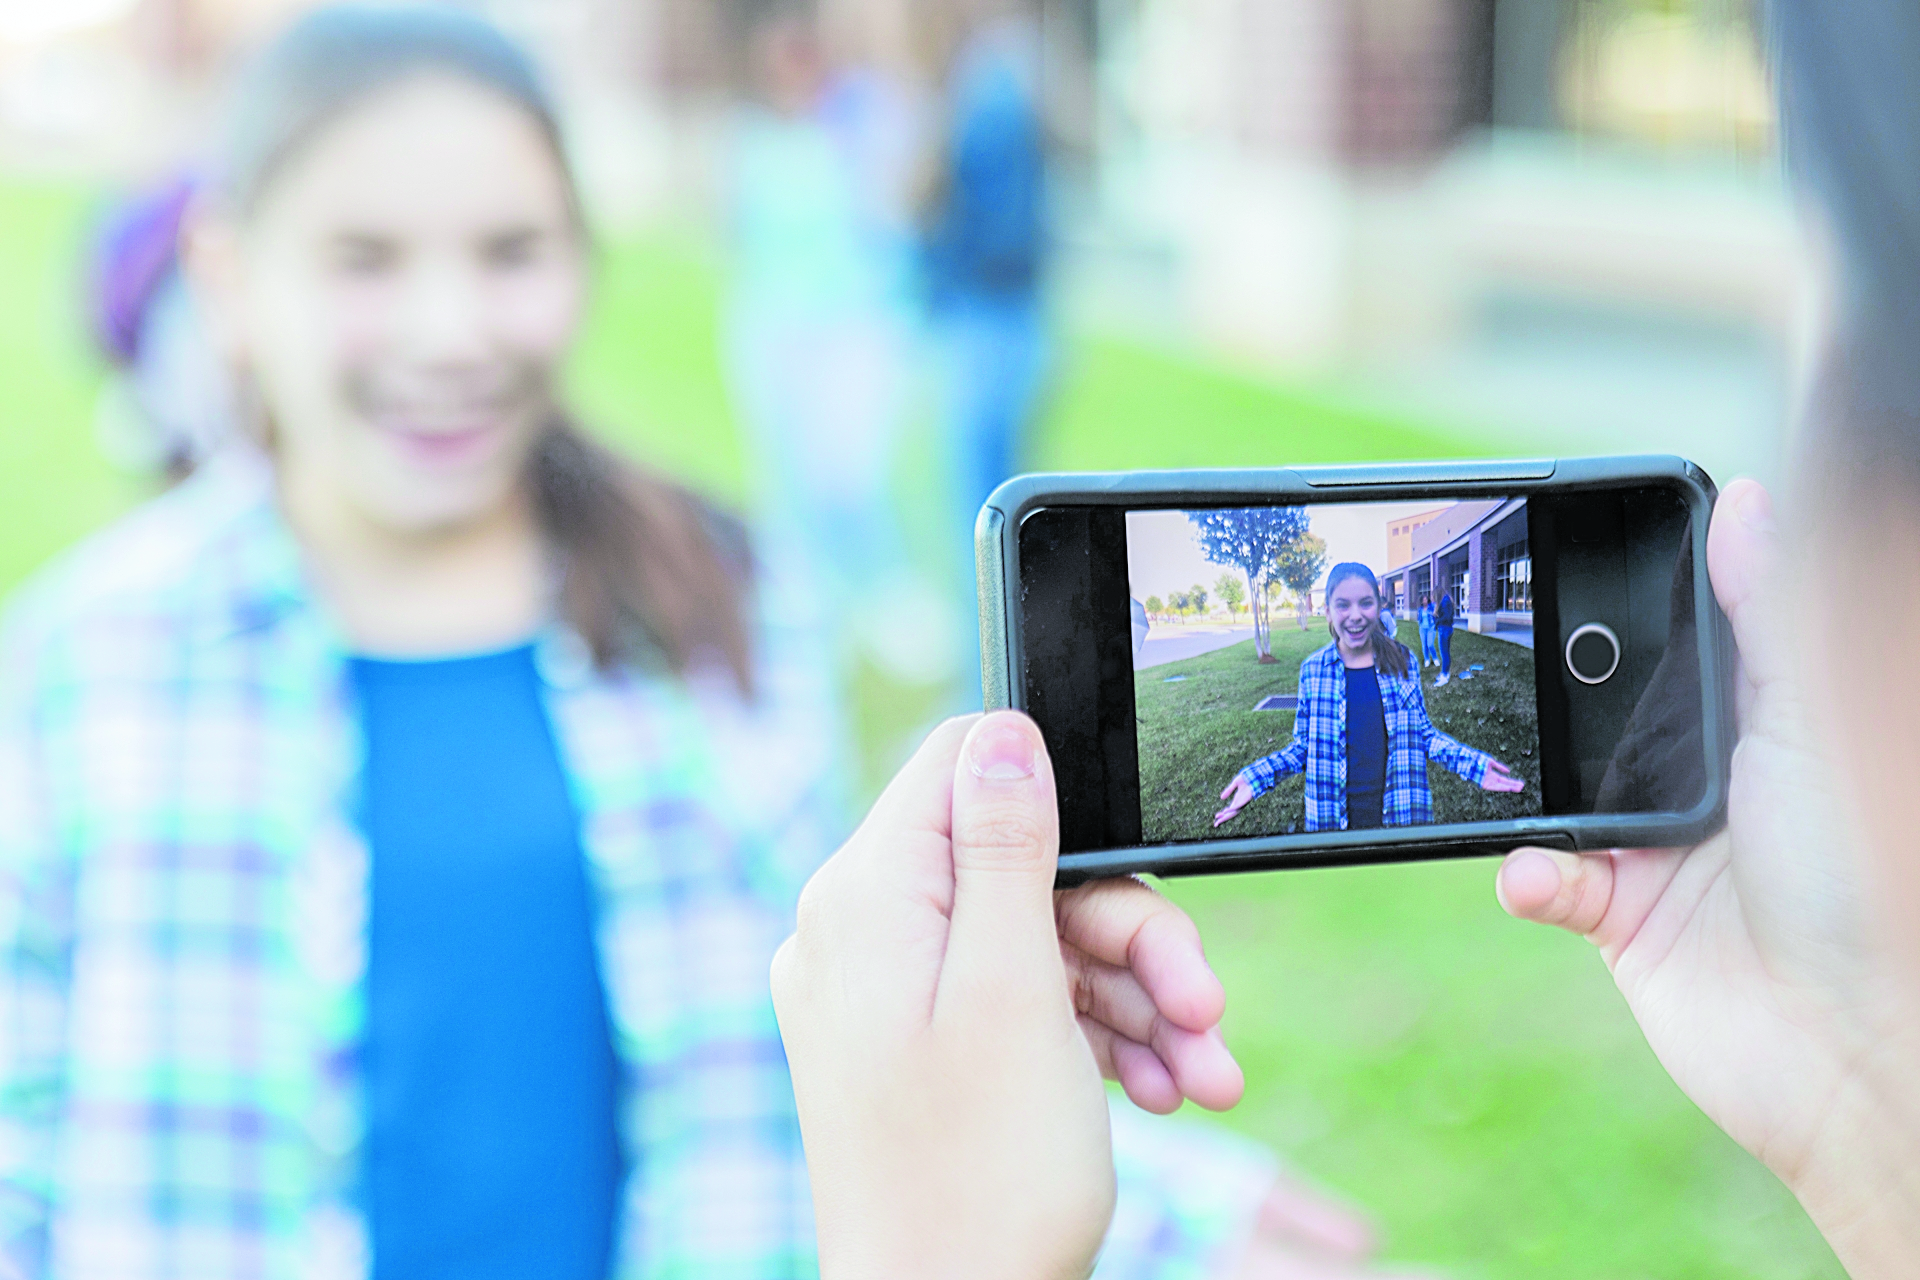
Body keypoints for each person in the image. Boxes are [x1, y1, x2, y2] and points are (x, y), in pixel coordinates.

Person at [0, 8, 1413, 1278]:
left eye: (510, 252)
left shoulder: (720, 600)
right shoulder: (85, 664)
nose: (450, 330)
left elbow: (801, 1018)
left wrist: (1160, 1211)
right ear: (230, 276)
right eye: (364, 259)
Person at [1213, 563, 1522, 832]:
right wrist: (1255, 778)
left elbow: (1422, 734)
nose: (1356, 616)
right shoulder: (1313, 670)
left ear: (1379, 606)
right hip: (1331, 824)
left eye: (1365, 603)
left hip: (1401, 818)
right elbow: (1303, 748)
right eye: (1343, 605)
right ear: (1328, 611)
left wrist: (1473, 765)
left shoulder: (1403, 660)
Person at [1433, 587, 1456, 685]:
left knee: (1444, 654)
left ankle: (1445, 676)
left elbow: (1446, 617)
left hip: (1444, 629)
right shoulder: (1447, 600)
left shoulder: (1445, 602)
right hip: (1446, 629)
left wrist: (1436, 619)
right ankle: (1444, 673)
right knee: (1445, 653)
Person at [1416, 593, 1437, 669]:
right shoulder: (1420, 609)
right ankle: (1427, 659)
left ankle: (1435, 658)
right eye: (1423, 600)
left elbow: (1437, 613)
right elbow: (1418, 618)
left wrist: (1433, 614)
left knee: (1430, 644)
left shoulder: (1432, 606)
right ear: (1421, 601)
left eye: (1426, 599)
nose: (1425, 601)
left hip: (1431, 628)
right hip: (1422, 628)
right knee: (1424, 645)